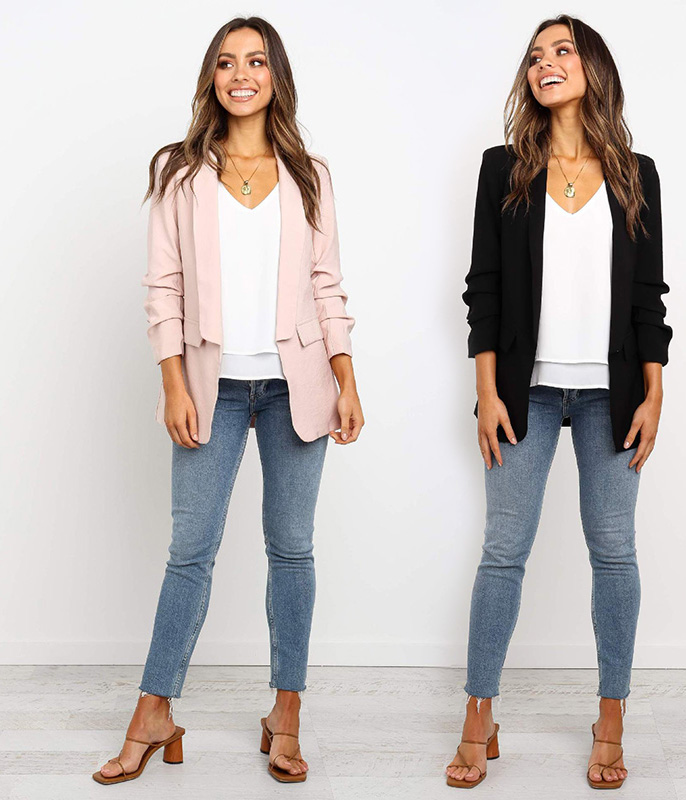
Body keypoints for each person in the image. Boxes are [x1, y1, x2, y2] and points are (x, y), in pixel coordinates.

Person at [93, 16, 363, 786]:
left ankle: (286, 712)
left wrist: (347, 376)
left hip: (295, 388)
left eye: (255, 61)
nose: (240, 74)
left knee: (292, 550)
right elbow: (163, 286)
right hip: (209, 387)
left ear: (276, 76)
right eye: (225, 62)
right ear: (211, 78)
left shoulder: (310, 174)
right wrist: (172, 381)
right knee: (191, 551)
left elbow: (327, 286)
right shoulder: (181, 173)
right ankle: (153, 712)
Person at [446, 14, 672, 790]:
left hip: (613, 394)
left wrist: (655, 391)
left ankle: (611, 717)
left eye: (563, 50)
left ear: (592, 67)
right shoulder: (502, 169)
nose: (546, 62)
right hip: (524, 394)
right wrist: (485, 392)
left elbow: (649, 297)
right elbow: (483, 289)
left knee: (614, 553)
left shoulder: (636, 174)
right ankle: (479, 714)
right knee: (503, 551)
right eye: (536, 55)